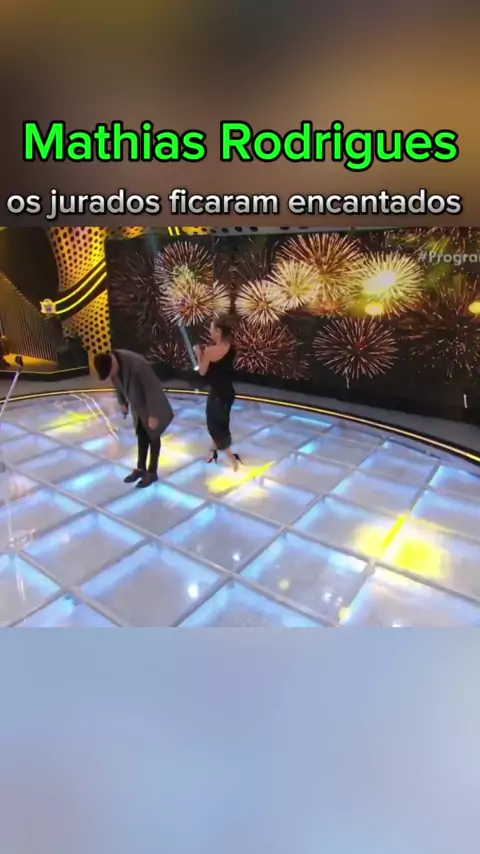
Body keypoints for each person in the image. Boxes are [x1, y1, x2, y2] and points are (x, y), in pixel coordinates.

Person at [93, 349, 174, 488]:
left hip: (151, 402)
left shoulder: (137, 364)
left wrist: (153, 414)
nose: (111, 375)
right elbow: (117, 383)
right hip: (137, 404)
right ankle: (141, 468)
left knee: (153, 436)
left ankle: (152, 472)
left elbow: (152, 388)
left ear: (112, 364)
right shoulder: (112, 363)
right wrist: (122, 402)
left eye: (110, 372)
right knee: (141, 435)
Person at [193, 315, 241, 471]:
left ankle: (231, 457)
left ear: (219, 331)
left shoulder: (210, 351)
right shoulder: (230, 346)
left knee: (214, 427)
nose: (210, 332)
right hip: (228, 393)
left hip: (217, 395)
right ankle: (212, 450)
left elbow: (202, 371)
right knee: (222, 423)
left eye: (212, 329)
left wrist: (198, 354)